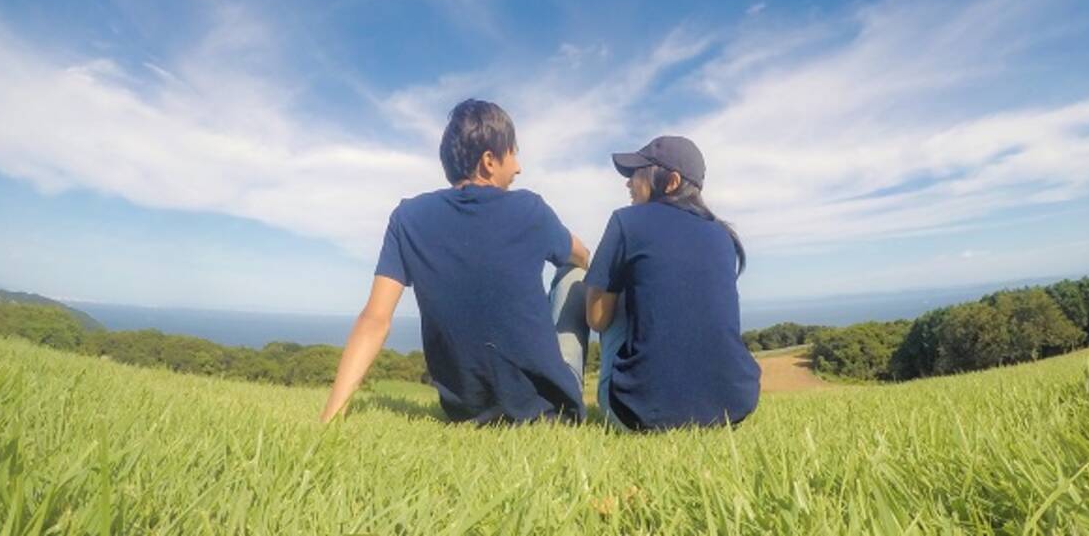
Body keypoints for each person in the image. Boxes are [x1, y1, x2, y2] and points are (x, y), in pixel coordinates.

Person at [320, 99, 591, 424]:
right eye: (513, 153)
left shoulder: (408, 218)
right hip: (550, 411)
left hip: (467, 413)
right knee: (574, 273)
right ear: (489, 161)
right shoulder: (531, 209)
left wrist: (330, 418)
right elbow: (583, 254)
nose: (518, 167)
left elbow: (375, 320)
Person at [585, 135, 760, 431]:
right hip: (732, 408)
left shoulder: (626, 222)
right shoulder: (723, 236)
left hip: (637, 414)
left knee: (611, 287)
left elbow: (598, 319)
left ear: (671, 181)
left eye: (636, 174)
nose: (628, 183)